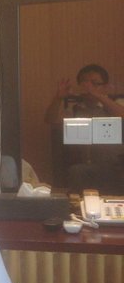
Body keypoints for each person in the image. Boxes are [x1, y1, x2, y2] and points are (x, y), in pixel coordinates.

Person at [44, 64, 124, 193]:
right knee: (77, 171)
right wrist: (58, 98)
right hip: (84, 165)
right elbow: (50, 120)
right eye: (85, 83)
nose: (89, 87)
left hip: (116, 165)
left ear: (106, 87)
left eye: (95, 83)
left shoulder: (116, 103)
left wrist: (98, 95)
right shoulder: (74, 109)